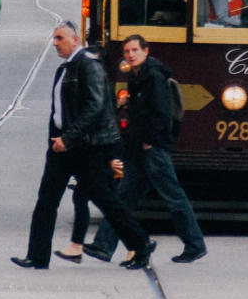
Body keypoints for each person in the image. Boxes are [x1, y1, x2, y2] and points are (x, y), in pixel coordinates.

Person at [11, 24, 155, 270]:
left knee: (105, 199)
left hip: (85, 147)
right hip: (62, 145)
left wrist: (70, 138)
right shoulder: (66, 68)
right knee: (46, 200)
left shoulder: (88, 65)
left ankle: (140, 244)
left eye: (60, 38)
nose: (55, 43)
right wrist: (58, 139)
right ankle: (37, 256)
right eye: (54, 38)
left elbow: (95, 107)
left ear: (75, 39)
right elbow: (61, 110)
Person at [84, 36, 207, 264]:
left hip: (152, 149)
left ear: (146, 51)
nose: (130, 55)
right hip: (139, 149)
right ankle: (103, 245)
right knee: (123, 199)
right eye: (127, 51)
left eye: (135, 50)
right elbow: (144, 111)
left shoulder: (153, 76)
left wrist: (150, 142)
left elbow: (161, 113)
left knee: (173, 196)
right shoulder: (137, 76)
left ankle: (195, 245)